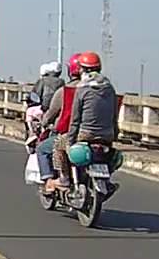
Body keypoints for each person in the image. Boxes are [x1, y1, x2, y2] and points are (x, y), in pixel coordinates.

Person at [46, 51, 117, 192]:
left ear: (82, 69)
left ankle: (64, 178)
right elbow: (114, 115)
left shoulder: (82, 88)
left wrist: (71, 140)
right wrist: (114, 135)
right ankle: (106, 180)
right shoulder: (109, 88)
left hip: (85, 134)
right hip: (107, 135)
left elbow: (75, 118)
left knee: (58, 144)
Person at [35, 54, 83, 185]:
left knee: (42, 149)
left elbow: (51, 113)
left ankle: (51, 181)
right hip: (99, 136)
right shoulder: (101, 91)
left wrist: (44, 122)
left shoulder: (64, 92)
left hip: (69, 134)